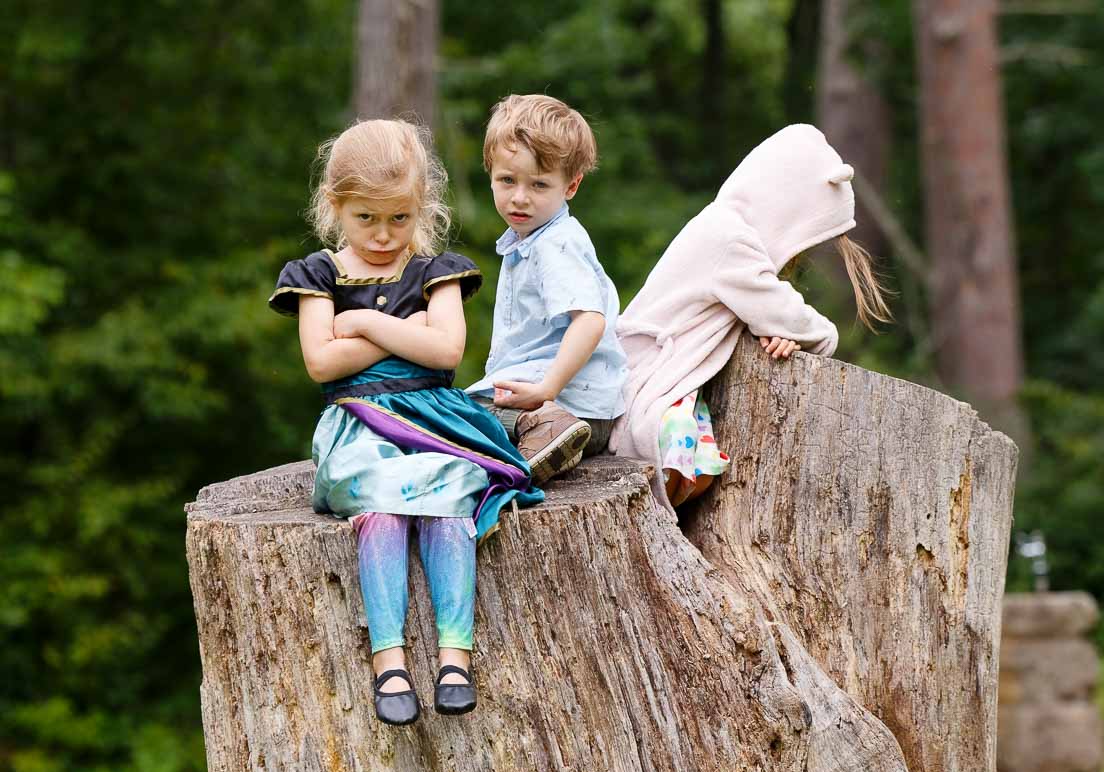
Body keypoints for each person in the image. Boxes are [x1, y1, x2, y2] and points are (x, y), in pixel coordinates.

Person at [268, 119, 543, 727]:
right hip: (359, 428)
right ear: (335, 206)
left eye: (399, 218)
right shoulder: (318, 274)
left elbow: (446, 353)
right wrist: (409, 335)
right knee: (383, 508)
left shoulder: (435, 269)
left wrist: (363, 326)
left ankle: (454, 658)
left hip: (437, 423)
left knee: (450, 502)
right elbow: (321, 363)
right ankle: (388, 662)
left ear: (421, 207)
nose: (384, 235)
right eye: (366, 219)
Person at [610, 124, 891, 510]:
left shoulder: (720, 229)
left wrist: (774, 331)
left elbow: (768, 316)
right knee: (688, 466)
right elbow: (784, 314)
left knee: (700, 467)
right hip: (645, 384)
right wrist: (820, 334)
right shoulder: (729, 240)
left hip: (658, 376)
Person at [465, 94, 627, 484]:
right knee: (455, 412)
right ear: (490, 173)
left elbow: (590, 321)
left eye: (539, 184)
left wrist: (546, 390)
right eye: (507, 180)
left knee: (452, 414)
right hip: (578, 405)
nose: (520, 197)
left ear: (571, 186)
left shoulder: (554, 244)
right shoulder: (532, 239)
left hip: (567, 404)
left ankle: (542, 428)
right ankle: (537, 439)